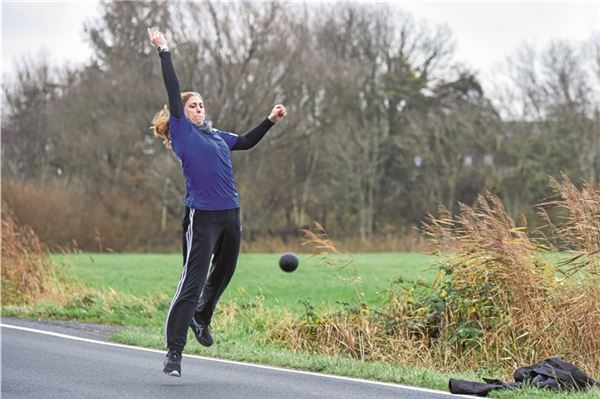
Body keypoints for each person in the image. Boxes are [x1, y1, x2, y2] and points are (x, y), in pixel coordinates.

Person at [147, 28, 287, 377]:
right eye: (193, 104)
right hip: (203, 216)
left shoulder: (217, 136)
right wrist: (164, 51)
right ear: (182, 111)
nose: (199, 108)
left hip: (231, 214)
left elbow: (248, 142)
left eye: (201, 104)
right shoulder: (182, 131)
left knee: (224, 271)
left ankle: (201, 317)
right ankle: (174, 353)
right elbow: (171, 83)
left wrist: (269, 120)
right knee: (191, 281)